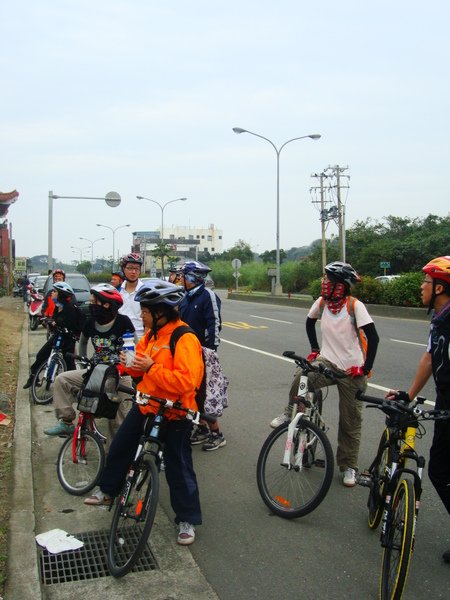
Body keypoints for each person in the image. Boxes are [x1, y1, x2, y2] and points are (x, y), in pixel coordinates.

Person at [84, 280, 204, 546]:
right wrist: (130, 365)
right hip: (147, 404)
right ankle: (108, 490)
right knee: (121, 445)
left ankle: (187, 519)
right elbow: (139, 369)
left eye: (145, 311)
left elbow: (187, 382)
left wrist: (150, 368)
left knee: (178, 466)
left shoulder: (184, 338)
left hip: (176, 412)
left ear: (161, 311)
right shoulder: (151, 336)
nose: (141, 316)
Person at [270, 261, 379, 487]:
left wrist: (365, 368)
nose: (325, 283)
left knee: (350, 421)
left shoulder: (354, 306)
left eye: (330, 280)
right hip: (327, 362)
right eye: (326, 279)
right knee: (302, 375)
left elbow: (374, 338)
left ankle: (348, 466)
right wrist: (314, 350)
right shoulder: (322, 303)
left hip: (352, 370)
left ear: (341, 285)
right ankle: (290, 412)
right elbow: (309, 323)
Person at [387, 256, 450, 563]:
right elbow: (428, 358)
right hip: (446, 405)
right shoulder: (438, 320)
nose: (421, 287)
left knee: (439, 469)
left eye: (426, 282)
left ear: (439, 287)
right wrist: (408, 395)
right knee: (441, 469)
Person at [43, 284, 135, 437]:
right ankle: (66, 422)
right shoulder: (90, 322)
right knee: (62, 380)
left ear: (106, 304)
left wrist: (127, 364)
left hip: (119, 375)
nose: (91, 305)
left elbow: (133, 347)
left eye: (94, 302)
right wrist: (84, 361)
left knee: (119, 422)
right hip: (96, 372)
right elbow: (83, 342)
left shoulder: (123, 322)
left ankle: (116, 456)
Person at [178, 260, 226, 451]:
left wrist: (210, 352)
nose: (182, 279)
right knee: (190, 392)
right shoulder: (185, 297)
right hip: (186, 353)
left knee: (203, 394)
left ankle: (217, 434)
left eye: (184, 276)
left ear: (193, 277)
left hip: (203, 353)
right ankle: (202, 428)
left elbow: (214, 324)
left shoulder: (208, 296)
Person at [23, 282, 82, 389]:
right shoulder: (58, 307)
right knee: (41, 355)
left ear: (61, 294)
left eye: (55, 292)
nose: (52, 294)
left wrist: (61, 326)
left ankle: (74, 386)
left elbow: (70, 325)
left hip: (68, 339)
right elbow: (55, 320)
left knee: (69, 362)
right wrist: (49, 322)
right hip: (58, 336)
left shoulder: (70, 308)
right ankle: (33, 378)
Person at [118, 253, 145, 339]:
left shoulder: (145, 291)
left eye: (137, 269)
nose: (133, 272)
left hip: (140, 336)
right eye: (130, 268)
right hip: (120, 335)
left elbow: (150, 318)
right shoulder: (117, 291)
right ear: (123, 269)